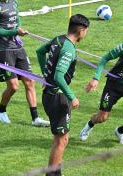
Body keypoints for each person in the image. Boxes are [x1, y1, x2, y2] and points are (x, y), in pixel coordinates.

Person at [0, 0, 49, 127]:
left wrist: (18, 29)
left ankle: (35, 118)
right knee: (14, 85)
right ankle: (1, 110)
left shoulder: (14, 2)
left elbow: (16, 20)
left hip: (16, 46)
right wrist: (14, 32)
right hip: (2, 48)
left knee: (29, 81)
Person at [37, 14, 90, 176]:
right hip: (58, 97)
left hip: (50, 95)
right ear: (81, 30)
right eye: (86, 31)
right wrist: (72, 96)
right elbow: (59, 76)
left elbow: (40, 52)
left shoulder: (58, 39)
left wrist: (45, 74)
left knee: (62, 139)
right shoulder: (68, 48)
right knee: (61, 141)